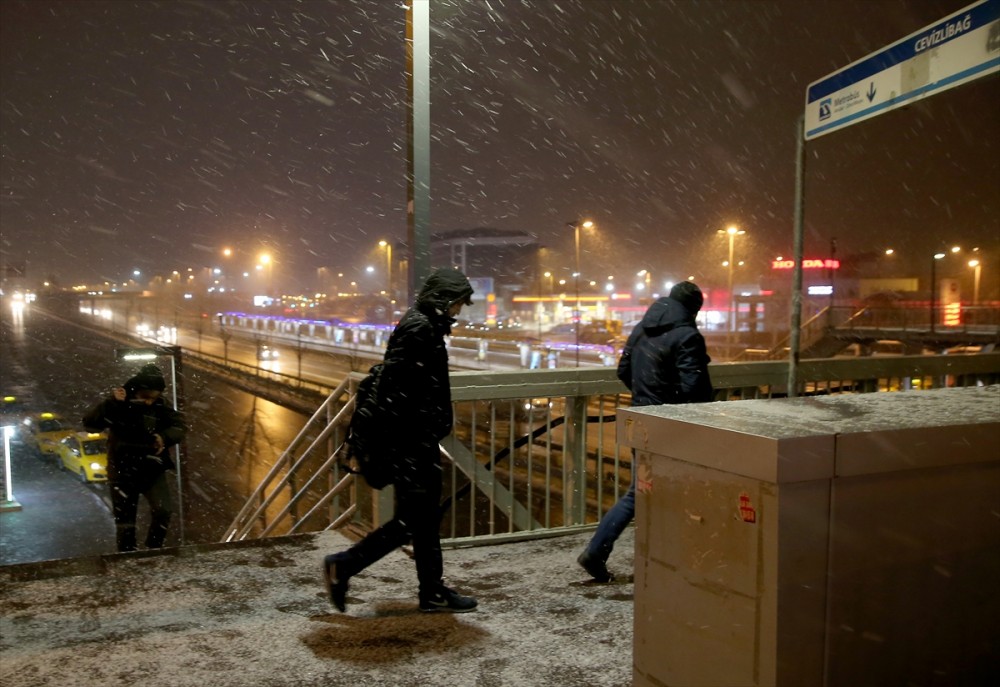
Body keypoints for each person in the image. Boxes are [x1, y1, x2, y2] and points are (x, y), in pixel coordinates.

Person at [323, 267, 479, 613]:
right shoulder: (420, 330)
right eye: (456, 304)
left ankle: (432, 592)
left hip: (413, 441)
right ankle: (344, 565)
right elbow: (400, 390)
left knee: (422, 520)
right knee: (414, 521)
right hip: (412, 444)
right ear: (442, 301)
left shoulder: (420, 325)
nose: (458, 311)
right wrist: (419, 435)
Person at [577, 280, 713, 582]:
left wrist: (646, 399)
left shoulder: (641, 329)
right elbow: (695, 389)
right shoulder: (687, 336)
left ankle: (602, 552)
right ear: (693, 309)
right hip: (674, 426)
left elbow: (623, 371)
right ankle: (679, 560)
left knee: (643, 492)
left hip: (643, 422)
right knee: (681, 492)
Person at [83, 363, 186, 552]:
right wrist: (112, 403)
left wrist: (164, 437)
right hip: (122, 471)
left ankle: (153, 550)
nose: (149, 402)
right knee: (125, 523)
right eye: (146, 397)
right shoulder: (118, 404)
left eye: (153, 398)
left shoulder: (160, 405)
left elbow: (179, 426)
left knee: (163, 510)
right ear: (137, 390)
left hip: (152, 469)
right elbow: (91, 425)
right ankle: (128, 558)